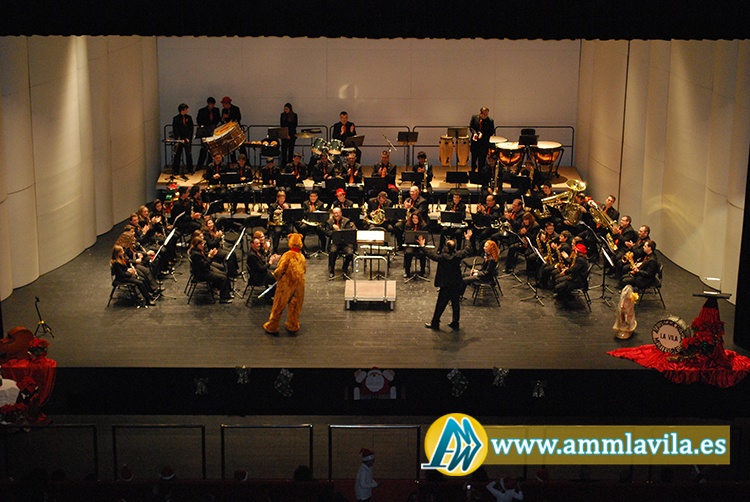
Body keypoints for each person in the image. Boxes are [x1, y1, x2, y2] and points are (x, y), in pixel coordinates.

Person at [421, 229, 473, 330]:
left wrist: (423, 246)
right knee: (455, 304)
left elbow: (432, 255)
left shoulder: (443, 257)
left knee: (440, 304)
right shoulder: (458, 255)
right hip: (456, 283)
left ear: (447, 248)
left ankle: (435, 323)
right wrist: (467, 239)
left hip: (445, 284)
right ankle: (455, 322)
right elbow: (467, 249)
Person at [264, 233, 306, 335]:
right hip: (299, 284)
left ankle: (272, 326)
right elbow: (304, 270)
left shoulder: (287, 255)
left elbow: (280, 269)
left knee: (278, 305)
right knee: (295, 306)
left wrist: (276, 277)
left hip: (286, 284)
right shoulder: (302, 257)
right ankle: (293, 325)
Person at [189, 236, 232, 303]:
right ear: (196, 245)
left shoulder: (198, 250)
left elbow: (205, 259)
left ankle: (225, 292)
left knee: (224, 274)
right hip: (202, 274)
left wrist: (210, 254)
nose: (202, 245)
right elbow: (205, 265)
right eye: (201, 244)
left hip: (204, 270)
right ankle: (223, 298)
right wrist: (210, 257)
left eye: (203, 243)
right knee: (223, 278)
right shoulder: (196, 255)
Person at [325, 207, 356, 278]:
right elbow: (327, 233)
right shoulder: (330, 222)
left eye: (337, 213)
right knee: (332, 251)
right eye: (334, 213)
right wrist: (334, 232)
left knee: (350, 253)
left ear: (341, 213)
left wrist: (338, 230)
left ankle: (345, 268)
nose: (336, 215)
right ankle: (331, 270)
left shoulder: (346, 221)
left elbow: (348, 232)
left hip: (345, 243)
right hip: (335, 242)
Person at [195, 97, 221, 170]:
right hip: (205, 131)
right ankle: (199, 165)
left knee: (212, 149)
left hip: (213, 131)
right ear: (208, 104)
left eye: (213, 104)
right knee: (203, 149)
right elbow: (199, 120)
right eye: (211, 104)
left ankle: (209, 165)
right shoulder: (202, 111)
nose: (212, 106)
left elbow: (217, 119)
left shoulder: (216, 110)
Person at [403, 211, 428, 278]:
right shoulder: (408, 225)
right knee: (408, 252)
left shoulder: (423, 225)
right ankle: (407, 271)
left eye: (416, 218)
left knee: (422, 253)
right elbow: (404, 235)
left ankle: (423, 271)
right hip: (410, 244)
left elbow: (425, 237)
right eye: (413, 218)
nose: (415, 220)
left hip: (420, 245)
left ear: (419, 219)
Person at [171, 103, 194, 179]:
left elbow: (191, 129)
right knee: (178, 154)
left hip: (187, 139)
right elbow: (176, 130)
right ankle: (176, 170)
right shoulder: (176, 118)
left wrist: (188, 138)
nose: (187, 110)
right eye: (186, 109)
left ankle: (190, 168)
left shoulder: (189, 118)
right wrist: (180, 138)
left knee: (188, 154)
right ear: (182, 110)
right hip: (180, 139)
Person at [469, 106, 494, 172]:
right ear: (480, 113)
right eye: (484, 115)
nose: (485, 116)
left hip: (483, 144)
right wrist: (474, 133)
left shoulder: (490, 121)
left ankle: (480, 173)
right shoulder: (475, 118)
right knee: (474, 159)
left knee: (482, 160)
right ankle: (473, 172)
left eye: (487, 115)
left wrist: (483, 135)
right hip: (475, 143)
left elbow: (491, 132)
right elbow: (471, 127)